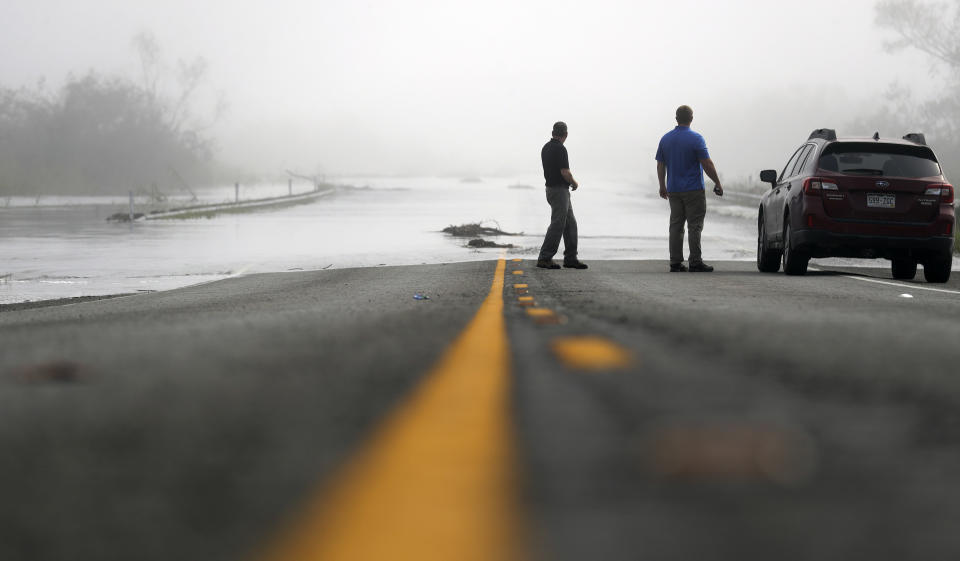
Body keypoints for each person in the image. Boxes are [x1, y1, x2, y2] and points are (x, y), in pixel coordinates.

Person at [655, 105, 724, 273]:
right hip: (693, 189)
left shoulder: (665, 139)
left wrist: (662, 185)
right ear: (691, 118)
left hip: (674, 190)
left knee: (676, 226)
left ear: (676, 118)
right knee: (694, 225)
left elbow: (660, 164)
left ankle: (675, 262)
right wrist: (717, 182)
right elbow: (706, 164)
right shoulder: (696, 139)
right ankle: (695, 261)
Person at [537, 121, 587, 270]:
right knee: (558, 224)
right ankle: (544, 258)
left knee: (570, 223)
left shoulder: (545, 147)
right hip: (559, 191)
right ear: (565, 134)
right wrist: (574, 183)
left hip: (551, 189)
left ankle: (571, 258)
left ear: (553, 133)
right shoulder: (561, 149)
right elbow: (565, 172)